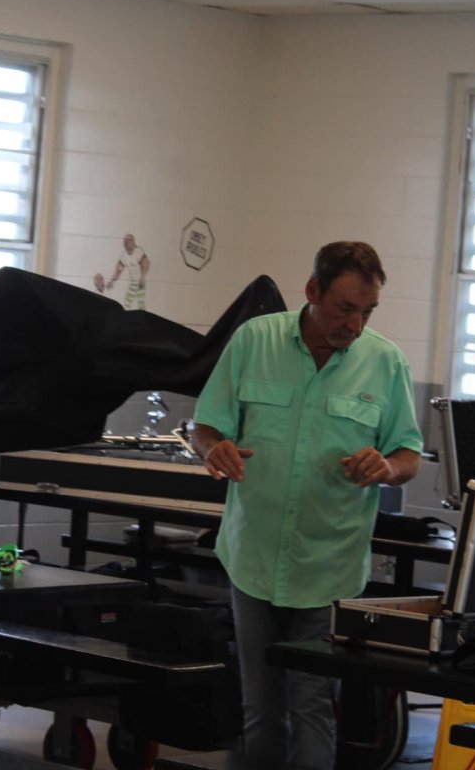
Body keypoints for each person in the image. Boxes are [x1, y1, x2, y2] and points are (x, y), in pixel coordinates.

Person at [191, 241, 422, 770]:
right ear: (313, 291)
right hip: (254, 555)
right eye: (345, 308)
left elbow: (408, 453)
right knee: (260, 707)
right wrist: (213, 448)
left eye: (368, 312)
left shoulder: (386, 362)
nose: (355, 325)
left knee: (312, 702)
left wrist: (387, 468)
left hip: (328, 563)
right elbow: (207, 426)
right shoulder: (254, 341)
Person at [105, 232, 150, 310]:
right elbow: (118, 271)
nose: (126, 244)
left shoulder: (138, 251)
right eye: (125, 242)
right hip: (133, 283)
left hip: (140, 281)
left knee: (141, 303)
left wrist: (142, 277)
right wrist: (112, 281)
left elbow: (146, 264)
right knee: (127, 303)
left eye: (128, 242)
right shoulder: (123, 255)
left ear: (133, 242)